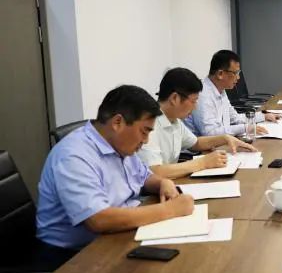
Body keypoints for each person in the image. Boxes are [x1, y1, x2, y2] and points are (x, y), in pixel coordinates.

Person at [36, 85, 194, 251]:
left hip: (117, 235)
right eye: (144, 132)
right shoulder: (74, 155)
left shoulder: (119, 144)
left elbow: (144, 176)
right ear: (117, 122)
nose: (146, 140)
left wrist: (163, 183)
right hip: (73, 254)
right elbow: (98, 219)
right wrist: (170, 210)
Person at [138, 68, 257, 179]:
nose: (195, 107)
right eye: (194, 101)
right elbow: (154, 172)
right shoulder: (149, 124)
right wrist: (202, 163)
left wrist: (225, 138)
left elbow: (196, 143)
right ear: (175, 99)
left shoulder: (174, 120)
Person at [185, 50, 280, 137]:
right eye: (235, 73)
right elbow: (210, 133)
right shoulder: (202, 94)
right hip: (203, 149)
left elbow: (235, 118)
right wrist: (245, 128)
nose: (238, 78)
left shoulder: (221, 90)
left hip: (221, 142)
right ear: (220, 74)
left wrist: (264, 116)